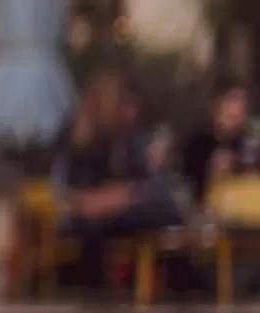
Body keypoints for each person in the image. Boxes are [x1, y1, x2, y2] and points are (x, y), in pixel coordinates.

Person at [54, 70, 185, 279]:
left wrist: (153, 169)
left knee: (166, 212)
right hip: (88, 218)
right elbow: (77, 199)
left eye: (134, 106)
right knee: (95, 225)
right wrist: (124, 194)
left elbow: (152, 188)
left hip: (122, 212)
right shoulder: (82, 144)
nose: (132, 114)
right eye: (125, 106)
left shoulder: (133, 140)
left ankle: (176, 278)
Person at [180, 79, 256, 203]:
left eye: (242, 102)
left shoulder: (249, 143)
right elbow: (187, 182)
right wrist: (210, 168)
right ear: (217, 106)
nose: (238, 108)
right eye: (232, 100)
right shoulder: (198, 142)